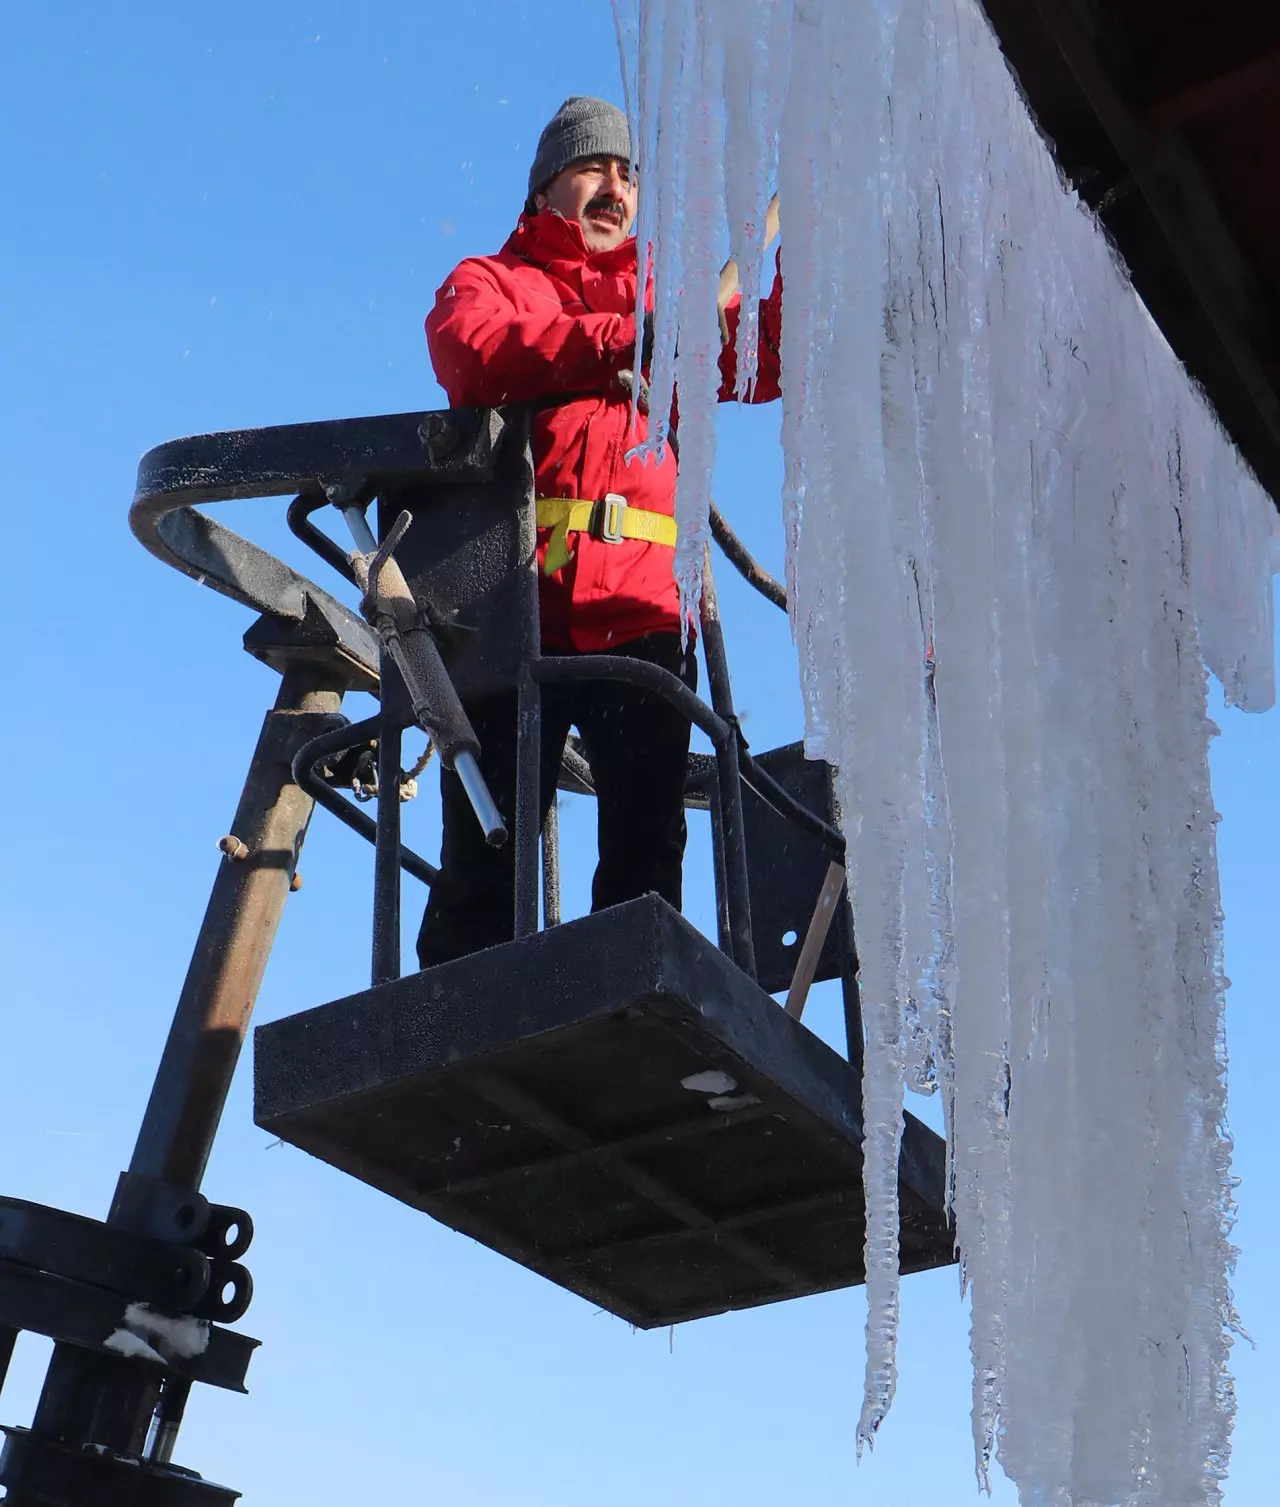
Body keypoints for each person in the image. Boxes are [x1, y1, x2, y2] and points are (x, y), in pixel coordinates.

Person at [417, 95, 782, 968]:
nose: (615, 187)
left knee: (646, 850)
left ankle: (633, 1024)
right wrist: (628, 339)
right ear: (545, 188)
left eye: (627, 174)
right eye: (593, 168)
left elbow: (765, 354)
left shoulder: (674, 297)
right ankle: (462, 1028)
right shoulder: (493, 279)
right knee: (487, 848)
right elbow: (472, 352)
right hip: (514, 605)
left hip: (643, 607)